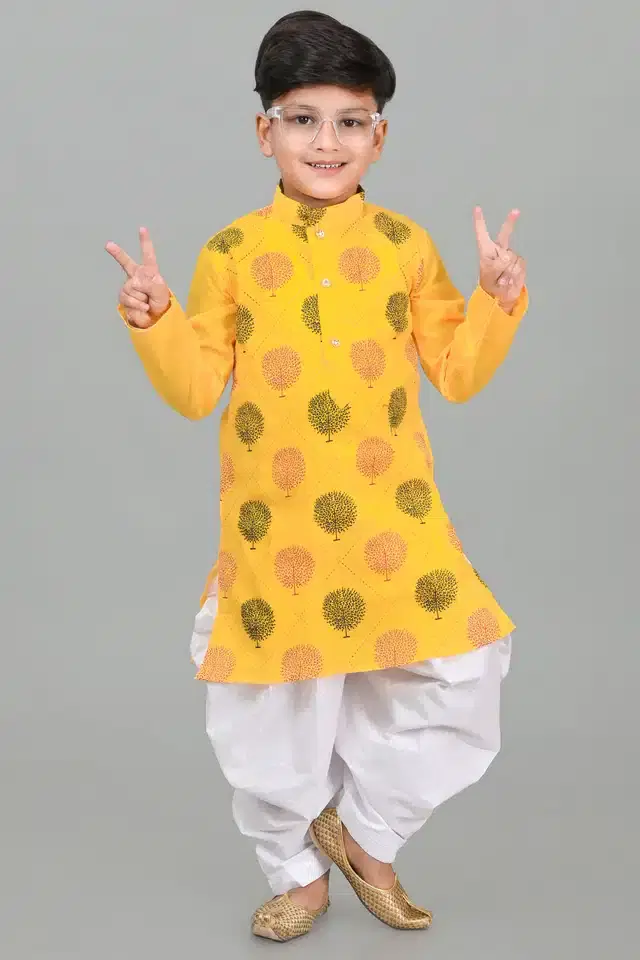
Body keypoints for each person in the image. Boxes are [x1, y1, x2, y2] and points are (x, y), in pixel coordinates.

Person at [106, 9, 528, 944]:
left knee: (462, 674)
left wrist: (497, 302)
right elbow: (195, 390)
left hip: (395, 515)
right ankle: (297, 874)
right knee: (274, 715)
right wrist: (154, 318)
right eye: (302, 119)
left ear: (380, 136)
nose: (326, 142)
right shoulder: (230, 254)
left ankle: (368, 835)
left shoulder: (406, 246)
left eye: (349, 121)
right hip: (276, 527)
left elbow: (456, 372)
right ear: (265, 132)